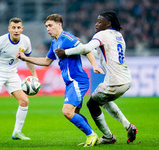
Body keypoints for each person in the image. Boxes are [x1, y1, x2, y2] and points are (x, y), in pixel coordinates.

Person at [17, 14, 104, 147]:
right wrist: (26, 58)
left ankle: (91, 135)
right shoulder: (54, 43)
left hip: (77, 80)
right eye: (46, 26)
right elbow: (46, 61)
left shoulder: (67, 38)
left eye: (50, 25)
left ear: (59, 25)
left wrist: (95, 65)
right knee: (74, 113)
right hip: (69, 83)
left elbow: (86, 50)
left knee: (67, 111)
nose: (48, 29)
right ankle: (93, 136)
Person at [55, 10, 137, 144]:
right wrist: (83, 47)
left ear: (108, 23)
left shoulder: (102, 34)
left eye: (100, 21)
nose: (96, 24)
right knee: (102, 100)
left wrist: (66, 52)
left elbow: (86, 49)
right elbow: (98, 53)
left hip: (114, 81)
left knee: (92, 104)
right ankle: (128, 126)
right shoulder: (118, 36)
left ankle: (109, 137)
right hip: (126, 80)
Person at [0, 17, 38, 142]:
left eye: (18, 28)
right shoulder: (0, 41)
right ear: (9, 28)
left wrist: (35, 75)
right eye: (13, 28)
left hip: (12, 73)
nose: (16, 30)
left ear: (22, 29)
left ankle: (17, 132)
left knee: (24, 101)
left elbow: (28, 59)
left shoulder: (26, 41)